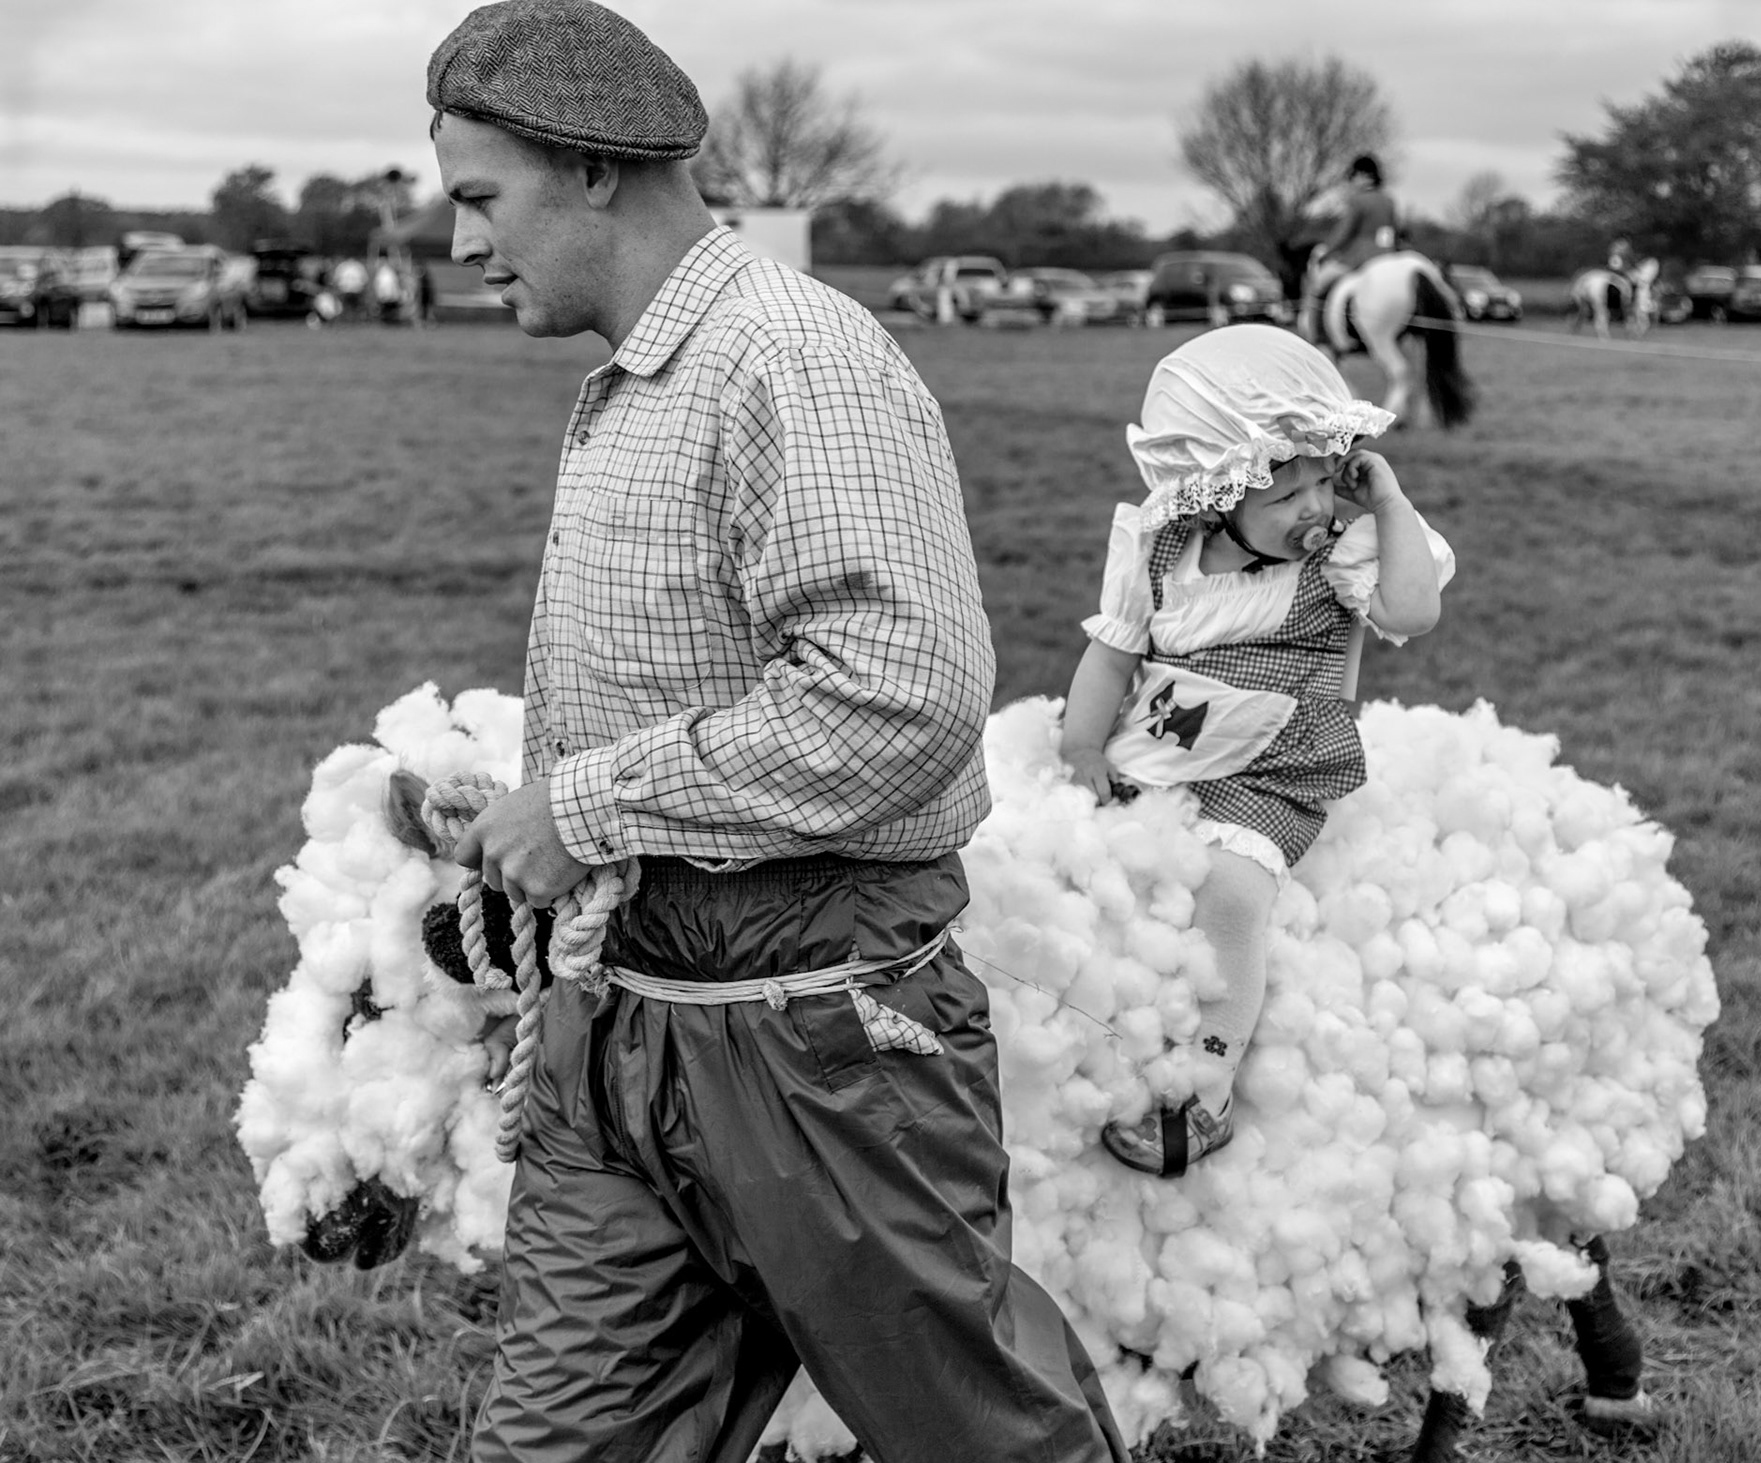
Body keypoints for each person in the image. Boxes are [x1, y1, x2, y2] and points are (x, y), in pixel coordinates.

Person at [423, 3, 1130, 1460]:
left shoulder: (790, 359)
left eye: (481, 199)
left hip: (822, 1041)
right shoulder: (635, 380)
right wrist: (531, 808)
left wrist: (590, 805)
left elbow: (900, 693)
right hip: (618, 1027)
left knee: (986, 1440)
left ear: (593, 167)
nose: (461, 247)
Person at [1058, 326, 1453, 1176]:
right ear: (1213, 497)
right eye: (1286, 496)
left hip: (1276, 766)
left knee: (1231, 889)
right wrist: (1083, 741)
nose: (1315, 507)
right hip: (1163, 749)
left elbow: (1413, 612)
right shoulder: (1160, 550)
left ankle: (1207, 1087)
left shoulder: (1345, 556)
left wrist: (1384, 499)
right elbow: (1115, 650)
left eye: (1324, 480)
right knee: (1088, 871)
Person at [1301, 154, 1403, 344]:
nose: (1352, 182)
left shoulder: (1358, 201)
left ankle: (1314, 337)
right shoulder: (1388, 201)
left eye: (1353, 176)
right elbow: (1394, 234)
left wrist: (1325, 250)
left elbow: (1343, 234)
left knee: (1317, 286)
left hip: (1358, 259)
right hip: (1387, 258)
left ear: (1364, 175)